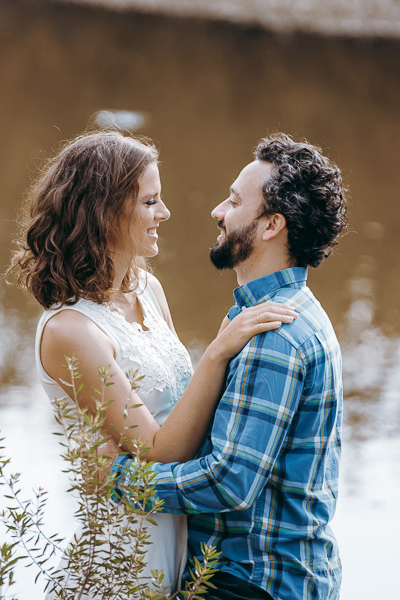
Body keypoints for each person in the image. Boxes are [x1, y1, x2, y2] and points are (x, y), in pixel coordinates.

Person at [7, 130, 298, 596]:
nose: (164, 212)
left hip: (179, 538)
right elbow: (157, 451)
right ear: (104, 212)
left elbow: (187, 407)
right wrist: (218, 351)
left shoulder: (149, 290)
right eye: (150, 202)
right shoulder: (70, 330)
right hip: (122, 550)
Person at [107, 133, 348, 600]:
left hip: (251, 583)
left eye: (235, 202)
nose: (218, 211)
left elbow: (229, 482)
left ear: (271, 225)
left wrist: (119, 480)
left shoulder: (274, 334)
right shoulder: (283, 311)